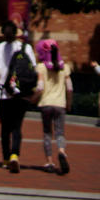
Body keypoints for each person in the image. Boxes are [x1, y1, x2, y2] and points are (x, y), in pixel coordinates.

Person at [0, 21, 37, 173]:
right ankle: (15, 154)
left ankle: (5, 158)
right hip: (21, 93)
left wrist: (6, 77)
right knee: (17, 126)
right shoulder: (26, 47)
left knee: (5, 127)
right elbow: (33, 69)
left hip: (3, 93)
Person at [34, 38, 73, 174]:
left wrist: (32, 99)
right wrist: (69, 103)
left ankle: (49, 161)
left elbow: (40, 86)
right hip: (60, 104)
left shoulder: (41, 67)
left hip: (46, 104)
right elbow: (69, 88)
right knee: (60, 132)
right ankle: (61, 151)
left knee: (47, 133)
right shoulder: (65, 67)